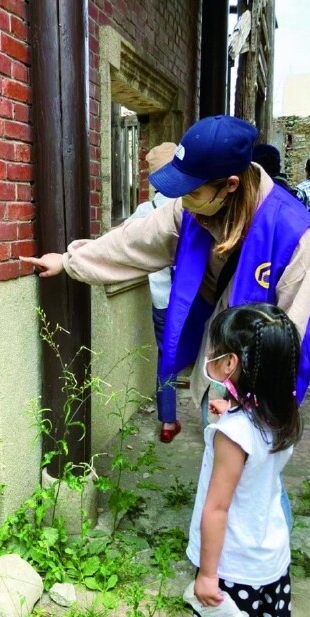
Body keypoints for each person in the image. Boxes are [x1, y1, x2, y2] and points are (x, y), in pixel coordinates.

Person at [21, 115, 310, 417]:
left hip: (259, 387)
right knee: (214, 452)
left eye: (191, 192)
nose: (182, 200)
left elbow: (296, 328)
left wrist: (257, 404)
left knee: (241, 461)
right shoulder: (191, 210)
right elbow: (135, 239)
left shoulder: (292, 232)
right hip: (216, 362)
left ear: (230, 184)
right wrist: (69, 260)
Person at [188, 302, 300, 617]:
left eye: (215, 350)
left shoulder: (233, 436)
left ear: (231, 363)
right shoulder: (281, 415)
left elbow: (216, 509)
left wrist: (206, 574)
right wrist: (234, 409)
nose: (210, 356)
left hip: (231, 568)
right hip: (271, 556)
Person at [128, 142, 181, 443]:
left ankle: (168, 422)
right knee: (209, 354)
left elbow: (124, 246)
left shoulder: (143, 212)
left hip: (163, 301)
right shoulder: (196, 205)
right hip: (199, 300)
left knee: (168, 357)